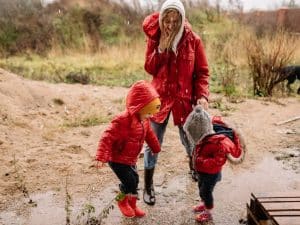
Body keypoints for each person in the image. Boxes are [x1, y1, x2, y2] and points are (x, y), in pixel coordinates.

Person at [142, 0, 210, 205]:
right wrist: (160, 50)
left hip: (184, 99)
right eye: (167, 20)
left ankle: (193, 167)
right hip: (159, 99)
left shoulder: (193, 40)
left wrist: (203, 95)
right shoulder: (155, 38)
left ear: (182, 19)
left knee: (190, 141)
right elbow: (149, 68)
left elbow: (202, 73)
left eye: (175, 20)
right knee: (152, 144)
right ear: (162, 18)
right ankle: (147, 185)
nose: (170, 25)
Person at [95, 80, 161, 218]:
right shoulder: (123, 120)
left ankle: (132, 205)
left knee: (135, 180)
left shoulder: (145, 120)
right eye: (148, 113)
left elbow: (149, 135)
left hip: (130, 158)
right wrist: (101, 156)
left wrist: (155, 147)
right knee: (129, 181)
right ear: (139, 108)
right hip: (117, 158)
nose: (151, 116)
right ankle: (122, 202)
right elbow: (107, 136)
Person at [183, 105, 245, 223]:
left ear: (202, 131)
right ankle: (204, 203)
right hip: (202, 171)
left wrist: (201, 161)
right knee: (201, 188)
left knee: (206, 192)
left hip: (211, 174)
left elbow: (218, 161)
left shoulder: (218, 143)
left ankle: (208, 212)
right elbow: (199, 148)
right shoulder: (204, 138)